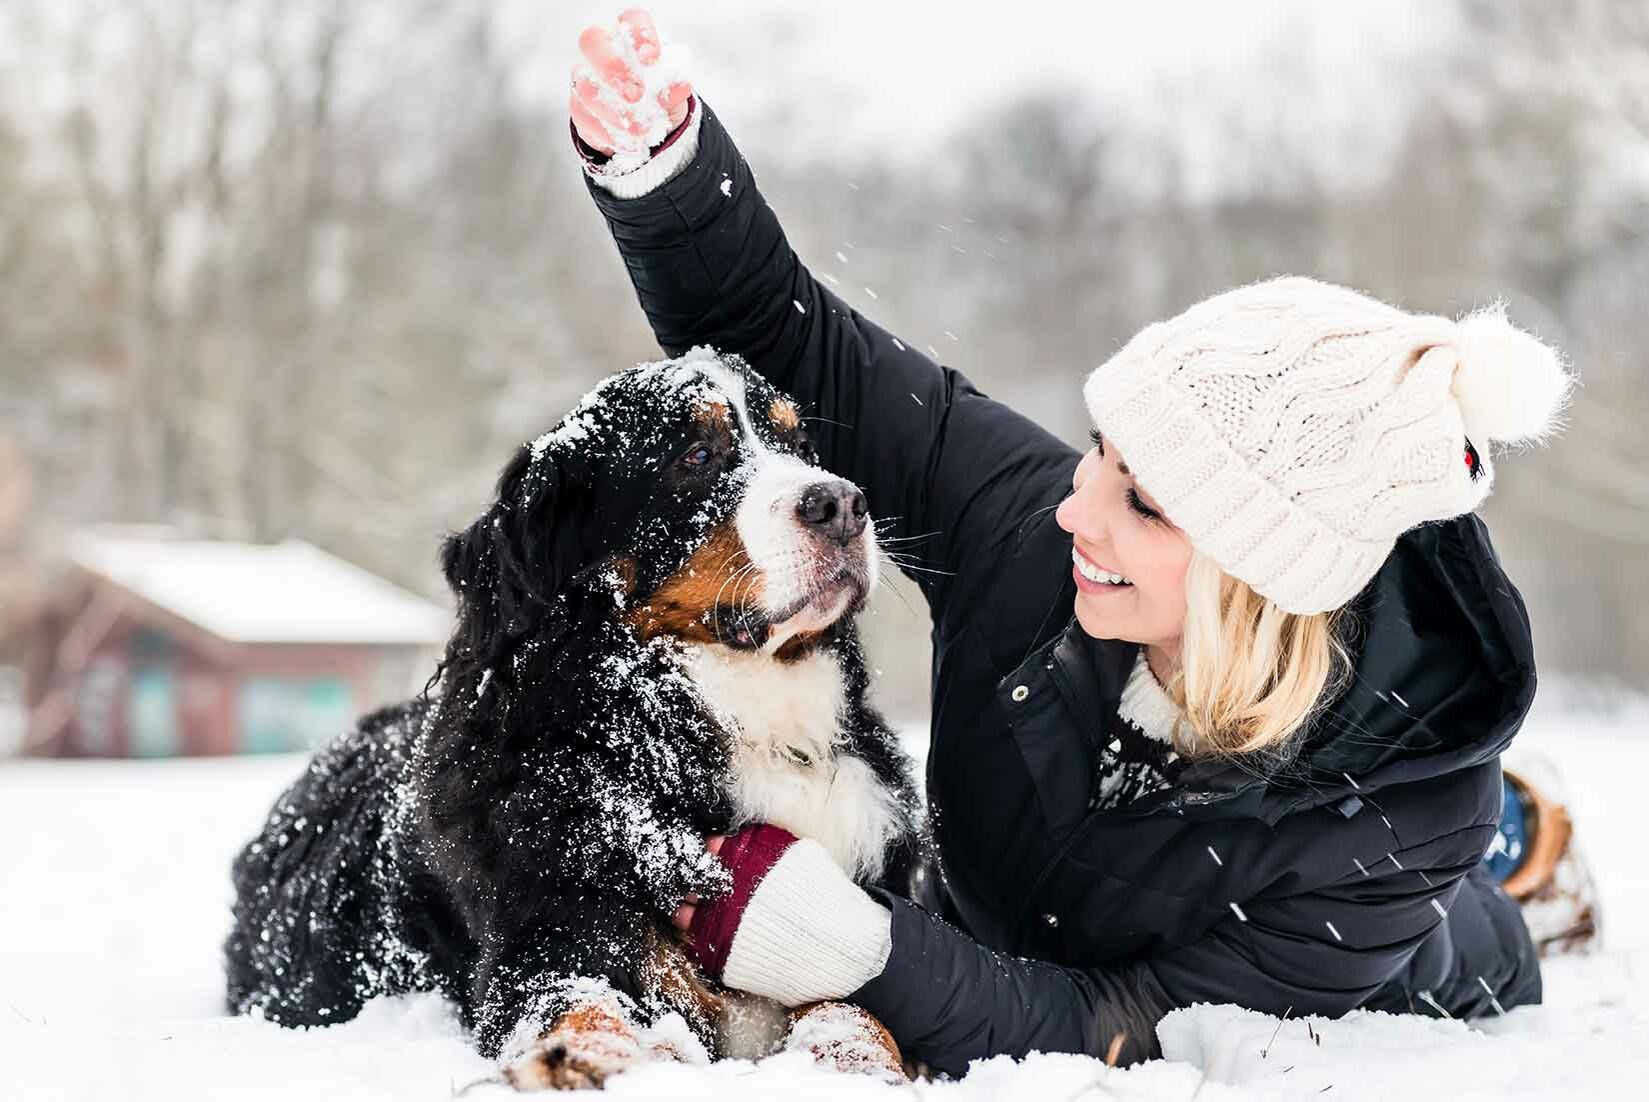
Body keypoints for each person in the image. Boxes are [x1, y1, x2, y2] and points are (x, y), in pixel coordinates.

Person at [565, 12, 1597, 1074]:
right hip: (1012, 901)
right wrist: (663, 172)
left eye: (1140, 501)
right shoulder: (1026, 525)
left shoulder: (1397, 823)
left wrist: (860, 945)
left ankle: (1521, 853)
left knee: (1464, 943)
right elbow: (793, 344)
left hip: (1379, 917)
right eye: (1101, 450)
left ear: (1258, 577)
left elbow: (1121, 1024)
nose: (1077, 507)